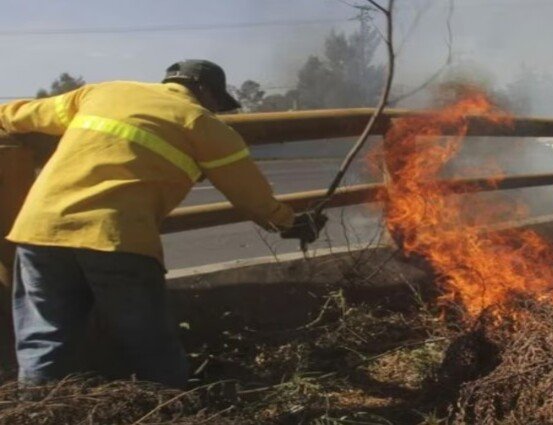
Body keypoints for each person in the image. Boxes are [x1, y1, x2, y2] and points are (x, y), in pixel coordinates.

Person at [0, 60, 325, 388]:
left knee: (44, 337)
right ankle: (168, 405)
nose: (218, 110)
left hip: (40, 230)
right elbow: (252, 198)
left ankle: (37, 409)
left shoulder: (105, 92)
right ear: (202, 90)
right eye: (218, 102)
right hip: (117, 239)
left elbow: (16, 115)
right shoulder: (203, 124)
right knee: (150, 342)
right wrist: (291, 223)